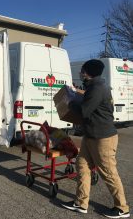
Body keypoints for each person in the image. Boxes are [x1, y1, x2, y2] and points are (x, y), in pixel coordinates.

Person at [61, 59, 130, 218]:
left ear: (87, 73)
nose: (81, 73)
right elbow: (88, 98)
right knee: (82, 166)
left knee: (108, 172)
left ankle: (122, 208)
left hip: (103, 138)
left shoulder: (97, 88)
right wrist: (76, 91)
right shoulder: (95, 86)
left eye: (83, 71)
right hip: (91, 135)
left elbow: (84, 111)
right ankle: (80, 203)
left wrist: (69, 101)